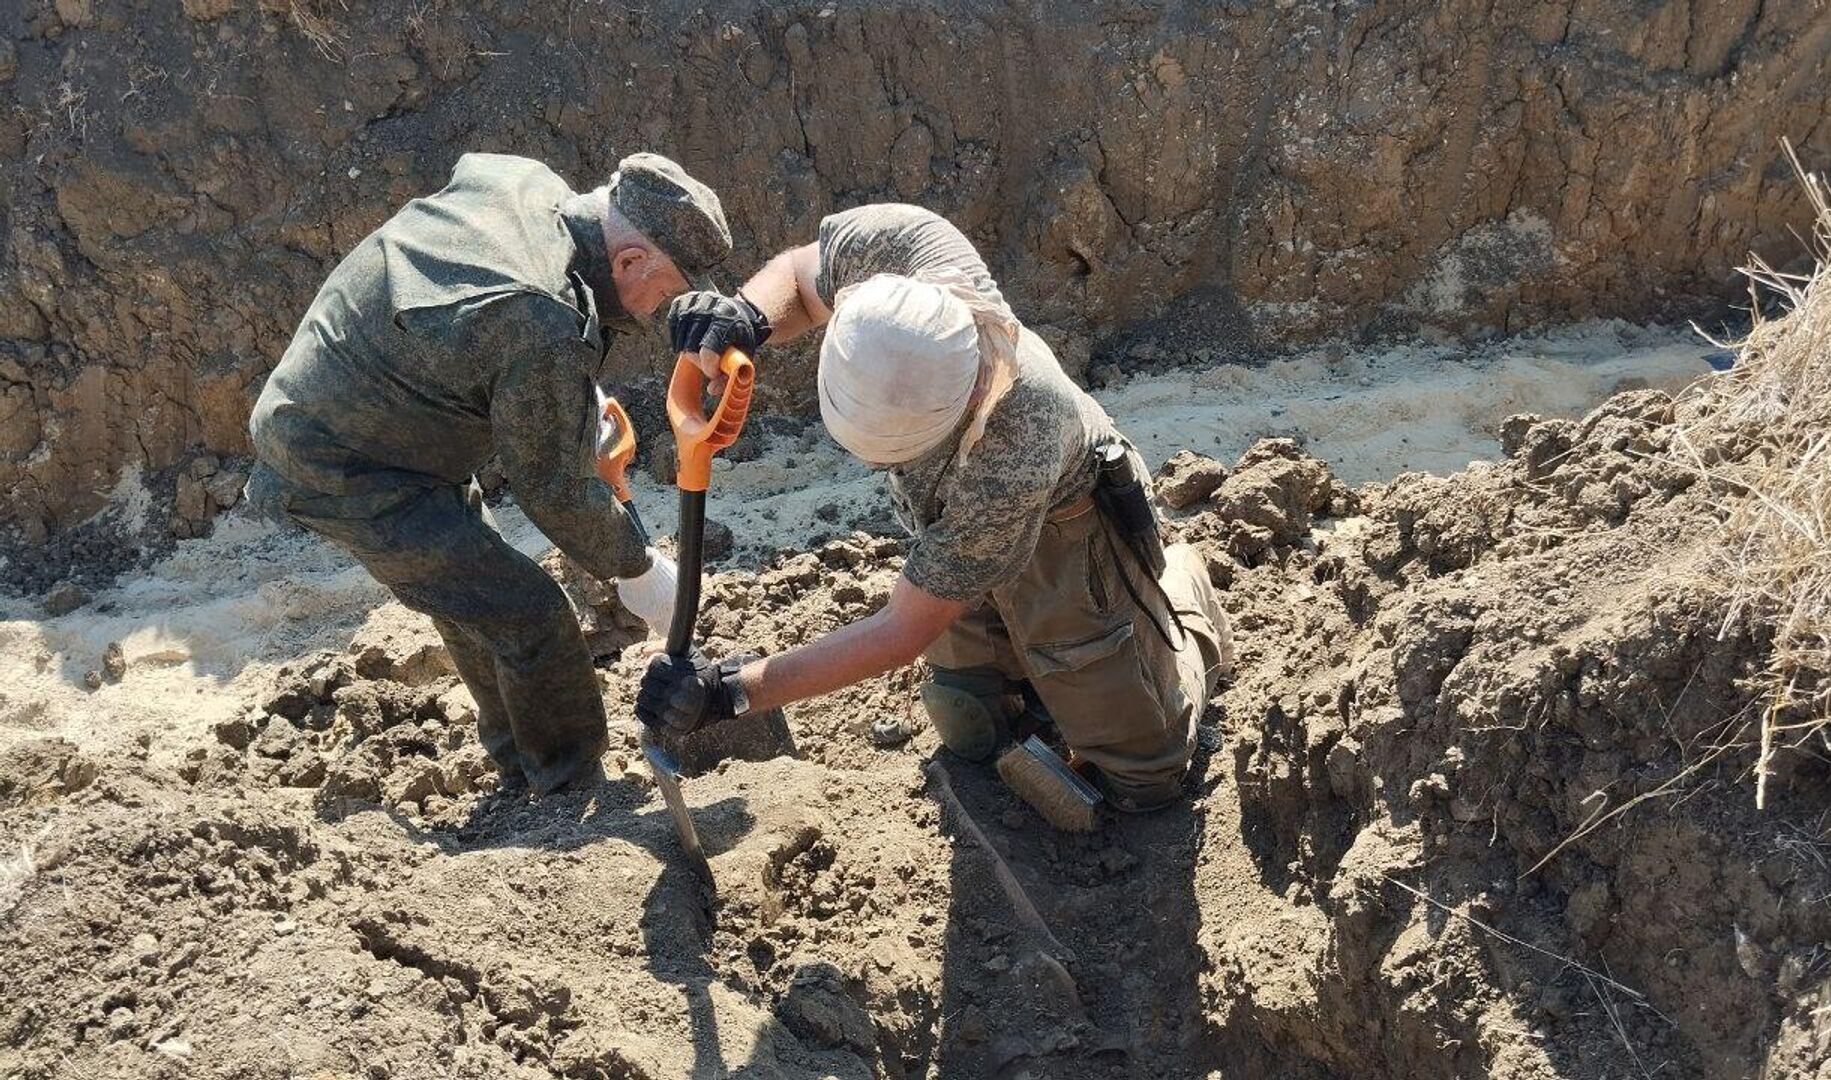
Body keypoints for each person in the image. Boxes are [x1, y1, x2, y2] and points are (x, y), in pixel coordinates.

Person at [639, 205, 1231, 822]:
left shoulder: (1016, 444)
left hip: (1065, 528)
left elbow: (903, 629)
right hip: (952, 527)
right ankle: (1041, 664)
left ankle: (1177, 593)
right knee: (971, 727)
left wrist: (734, 690)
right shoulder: (898, 250)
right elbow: (799, 274)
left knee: (1145, 778)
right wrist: (747, 316)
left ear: (967, 396)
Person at [247, 151, 735, 795]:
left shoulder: (527, 185)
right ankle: (570, 787)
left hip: (385, 407)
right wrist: (638, 568)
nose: (659, 316)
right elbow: (553, 492)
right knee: (529, 611)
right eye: (667, 293)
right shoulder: (544, 324)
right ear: (629, 262)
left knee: (475, 588)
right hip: (345, 459)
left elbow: (480, 304)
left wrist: (565, 390)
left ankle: (518, 762)